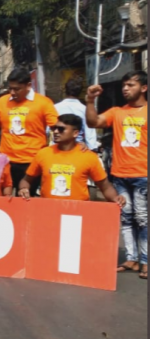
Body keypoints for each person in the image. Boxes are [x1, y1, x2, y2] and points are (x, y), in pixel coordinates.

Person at [85, 70, 148, 279]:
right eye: (124, 85)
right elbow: (93, 122)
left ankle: (145, 261)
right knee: (127, 218)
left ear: (144, 88)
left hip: (143, 175)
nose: (125, 88)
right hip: (120, 175)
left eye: (131, 85)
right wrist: (90, 101)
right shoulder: (116, 112)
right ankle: (132, 258)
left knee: (142, 218)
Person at [20, 114, 125, 204]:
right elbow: (26, 180)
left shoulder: (89, 157)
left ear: (75, 133)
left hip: (77, 215)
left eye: (61, 129)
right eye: (54, 128)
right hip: (49, 212)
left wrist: (116, 199)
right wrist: (23, 189)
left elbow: (105, 187)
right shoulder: (43, 153)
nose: (56, 132)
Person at [0, 67, 59, 194]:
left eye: (16, 89)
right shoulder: (2, 102)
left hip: (32, 162)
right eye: (10, 88)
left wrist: (74, 145)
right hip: (5, 161)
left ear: (28, 85)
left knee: (26, 200)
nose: (12, 92)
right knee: (3, 199)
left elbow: (58, 129)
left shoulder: (43, 103)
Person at [54, 78, 98, 151]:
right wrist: (93, 151)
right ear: (80, 92)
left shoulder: (55, 108)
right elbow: (90, 135)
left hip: (57, 149)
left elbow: (48, 131)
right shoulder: (85, 110)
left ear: (65, 90)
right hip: (77, 149)